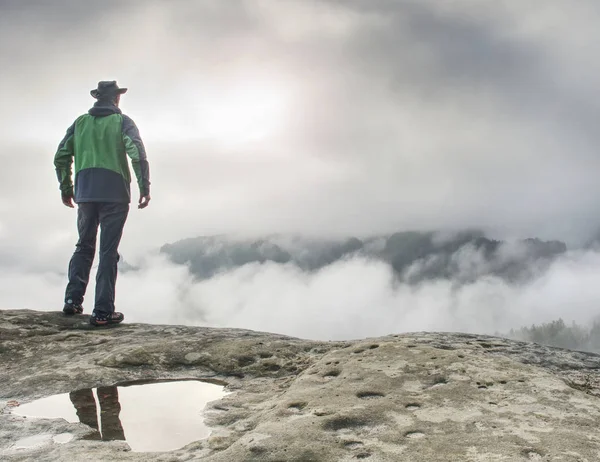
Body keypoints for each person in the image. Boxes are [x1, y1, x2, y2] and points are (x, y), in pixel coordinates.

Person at [54, 81, 151, 326]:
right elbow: (136, 153)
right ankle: (103, 312)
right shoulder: (123, 122)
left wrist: (67, 188)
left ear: (98, 98)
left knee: (83, 246)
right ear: (116, 99)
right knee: (108, 251)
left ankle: (72, 301)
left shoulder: (80, 123)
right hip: (114, 193)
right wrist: (144, 187)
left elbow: (61, 157)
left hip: (85, 192)